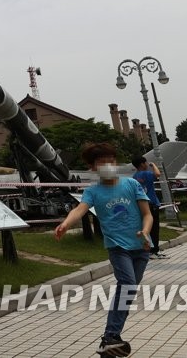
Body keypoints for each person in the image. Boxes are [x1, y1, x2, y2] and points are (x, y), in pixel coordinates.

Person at [55, 142, 153, 357]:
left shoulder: (131, 184)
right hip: (118, 247)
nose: (108, 165)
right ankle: (110, 337)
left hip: (141, 247)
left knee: (128, 292)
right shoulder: (93, 191)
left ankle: (111, 337)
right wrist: (65, 224)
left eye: (111, 161)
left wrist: (145, 231)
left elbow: (147, 214)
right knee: (126, 284)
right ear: (93, 167)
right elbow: (79, 210)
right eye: (102, 163)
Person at [131, 155, 165, 258]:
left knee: (146, 227)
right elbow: (158, 174)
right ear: (142, 164)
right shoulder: (146, 173)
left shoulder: (135, 176)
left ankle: (147, 249)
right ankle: (153, 250)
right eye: (146, 163)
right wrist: (153, 165)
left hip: (141, 204)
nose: (147, 164)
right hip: (152, 204)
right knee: (154, 228)